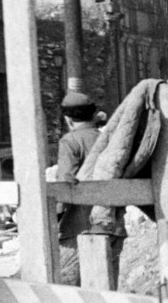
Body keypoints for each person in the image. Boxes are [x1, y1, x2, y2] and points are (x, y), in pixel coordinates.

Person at [54, 91, 118, 286]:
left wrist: (54, 215)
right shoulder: (108, 140)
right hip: (112, 223)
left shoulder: (70, 141)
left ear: (68, 119)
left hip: (79, 227)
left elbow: (65, 183)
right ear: (93, 115)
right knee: (106, 286)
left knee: (68, 286)